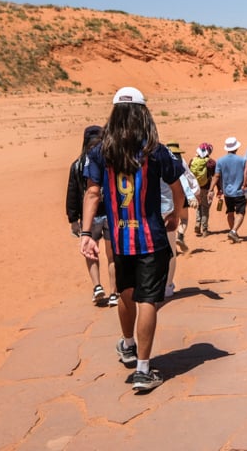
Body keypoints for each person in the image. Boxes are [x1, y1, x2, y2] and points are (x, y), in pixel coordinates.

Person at [80, 86, 184, 392]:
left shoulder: (100, 151)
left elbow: (93, 192)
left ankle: (127, 345)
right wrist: (176, 214)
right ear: (143, 114)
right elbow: (177, 188)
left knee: (125, 294)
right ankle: (142, 368)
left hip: (120, 237)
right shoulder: (155, 150)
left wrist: (86, 233)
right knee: (148, 300)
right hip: (151, 238)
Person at [65, 125, 117, 306]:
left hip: (89, 217)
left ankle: (97, 287)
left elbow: (73, 193)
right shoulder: (108, 160)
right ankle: (114, 293)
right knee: (112, 256)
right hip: (110, 214)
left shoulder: (77, 165)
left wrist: (73, 219)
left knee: (90, 252)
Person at [163, 141, 199, 299]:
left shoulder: (152, 158)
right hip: (169, 209)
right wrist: (191, 196)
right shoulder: (177, 161)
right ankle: (167, 286)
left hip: (150, 211)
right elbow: (184, 179)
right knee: (170, 252)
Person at [208, 136, 247, 243]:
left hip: (227, 192)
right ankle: (234, 231)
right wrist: (245, 184)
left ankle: (233, 231)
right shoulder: (242, 160)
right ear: (236, 148)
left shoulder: (220, 161)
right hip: (239, 192)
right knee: (241, 212)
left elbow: (216, 176)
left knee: (230, 212)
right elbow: (246, 173)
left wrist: (212, 189)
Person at [189, 142, 216, 236]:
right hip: (206, 188)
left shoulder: (192, 160)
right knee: (205, 207)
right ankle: (204, 229)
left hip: (195, 189)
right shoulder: (210, 162)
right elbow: (215, 176)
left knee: (199, 206)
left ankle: (197, 223)